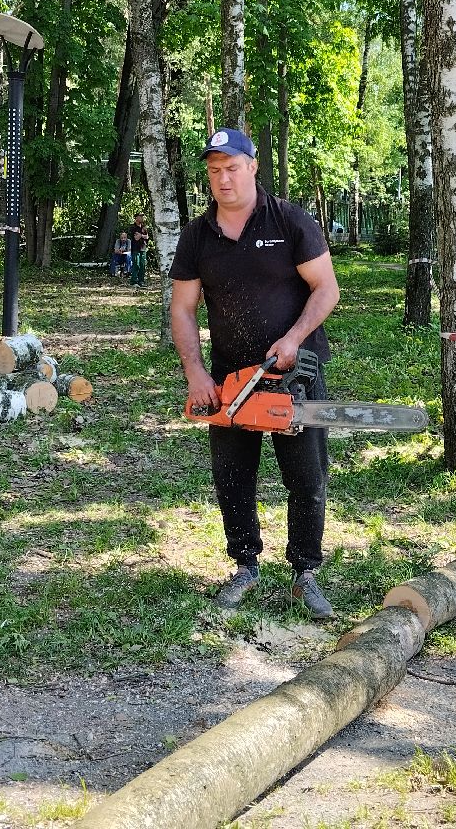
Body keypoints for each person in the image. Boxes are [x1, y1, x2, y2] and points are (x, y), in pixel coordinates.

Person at [169, 127, 340, 618]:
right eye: (214, 171)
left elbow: (325, 288)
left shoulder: (290, 221)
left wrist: (294, 338)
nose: (223, 179)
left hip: (293, 374)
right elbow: (183, 309)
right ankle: (245, 564)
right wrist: (196, 374)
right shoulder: (198, 235)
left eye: (231, 168)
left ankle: (305, 571)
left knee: (306, 475)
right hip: (229, 378)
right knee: (232, 475)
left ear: (252, 166)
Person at [126, 212, 151, 285]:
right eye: (140, 216)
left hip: (143, 248)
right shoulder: (133, 227)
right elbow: (136, 238)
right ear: (136, 218)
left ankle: (141, 281)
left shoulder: (144, 227)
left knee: (142, 265)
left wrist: (141, 235)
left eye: (142, 216)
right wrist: (142, 236)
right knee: (136, 264)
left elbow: (147, 237)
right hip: (135, 248)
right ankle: (134, 281)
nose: (142, 218)